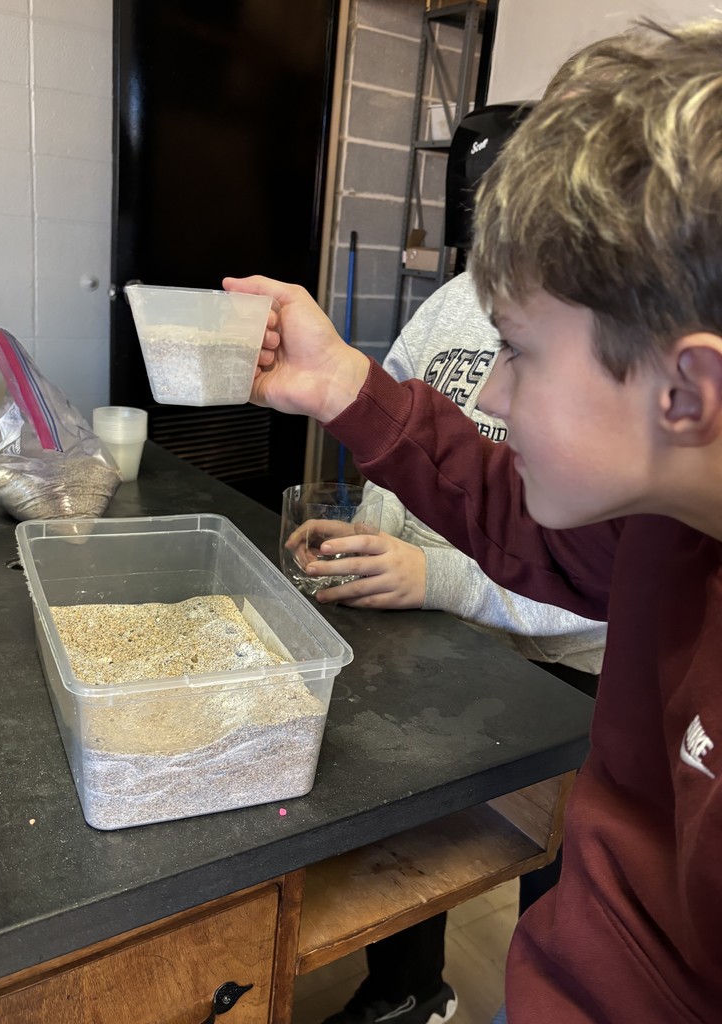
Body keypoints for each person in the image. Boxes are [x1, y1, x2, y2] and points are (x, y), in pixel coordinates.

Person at [228, 18, 722, 1022]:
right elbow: (523, 521)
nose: (493, 387)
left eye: (523, 352)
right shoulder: (672, 516)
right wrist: (346, 387)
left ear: (689, 390)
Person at [311, 269, 606, 1024]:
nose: (489, 399)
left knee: (566, 876)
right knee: (405, 802)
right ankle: (408, 992)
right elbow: (428, 445)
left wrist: (437, 575)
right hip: (450, 628)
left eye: (522, 357)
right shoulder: (453, 298)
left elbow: (586, 571)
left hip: (567, 669)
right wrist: (380, 540)